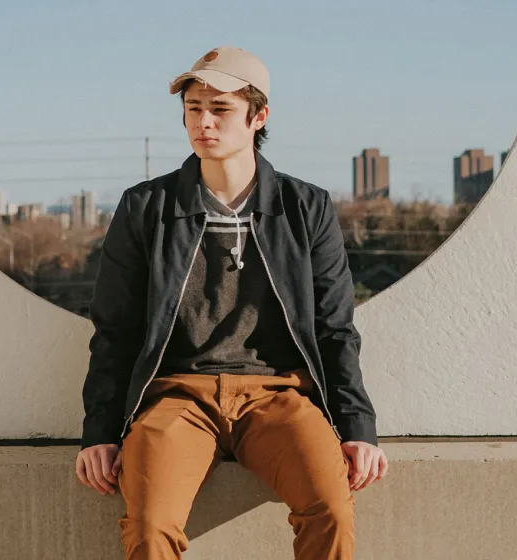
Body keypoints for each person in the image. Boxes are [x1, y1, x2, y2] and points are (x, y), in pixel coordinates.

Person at [75, 45, 388, 560]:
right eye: (193, 108)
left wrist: (358, 427)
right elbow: (115, 329)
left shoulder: (305, 207)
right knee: (150, 526)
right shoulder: (146, 207)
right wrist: (100, 432)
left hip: (279, 396)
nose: (203, 122)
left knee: (331, 509)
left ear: (258, 116)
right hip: (176, 397)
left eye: (220, 109)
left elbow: (334, 327)